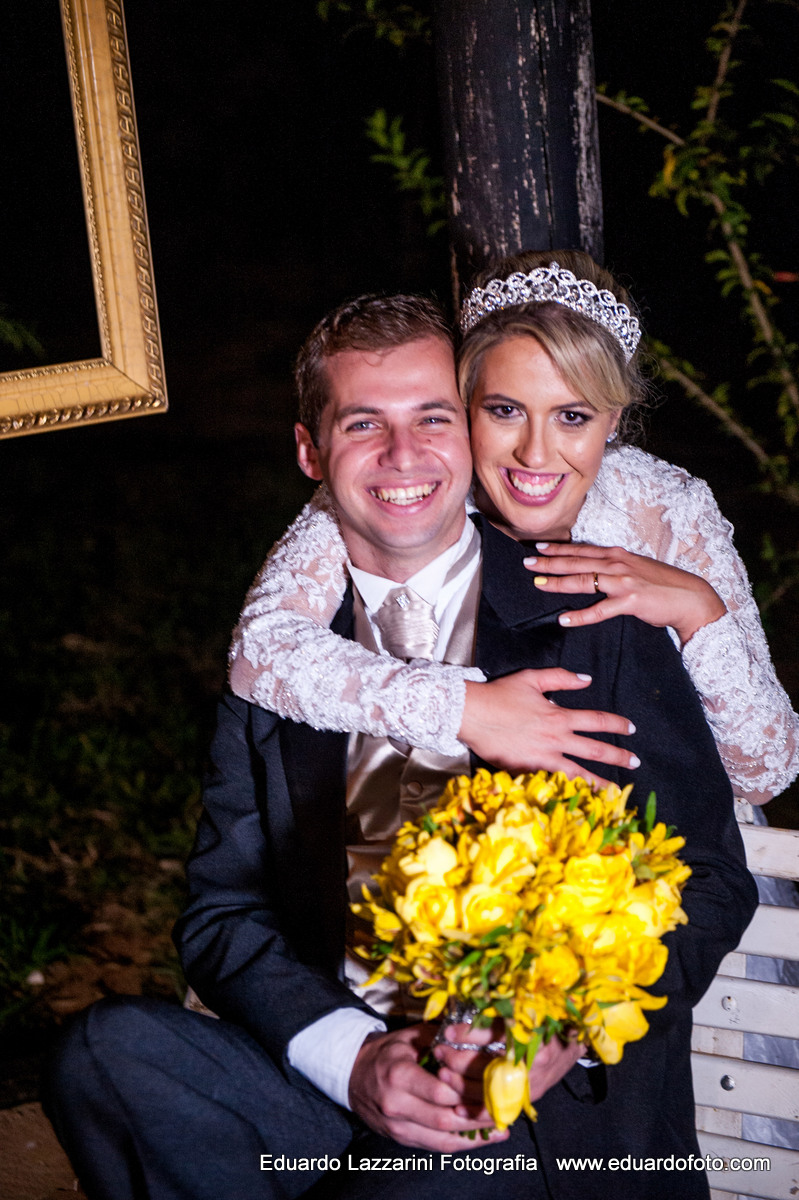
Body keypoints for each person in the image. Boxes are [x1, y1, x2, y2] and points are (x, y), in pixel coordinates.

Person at [44, 289, 757, 1200]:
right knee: (107, 1055)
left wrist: (560, 1025)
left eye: (431, 417)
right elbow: (223, 916)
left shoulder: (595, 621)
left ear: (465, 431)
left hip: (533, 1116)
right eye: (361, 425)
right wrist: (353, 1061)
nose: (403, 455)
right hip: (341, 1094)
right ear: (310, 450)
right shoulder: (282, 661)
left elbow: (708, 876)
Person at [228, 251, 799, 808]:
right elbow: (263, 647)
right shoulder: (413, 489)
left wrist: (699, 610)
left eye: (572, 417)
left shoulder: (666, 507)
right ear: (466, 402)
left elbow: (765, 773)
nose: (534, 453)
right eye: (505, 411)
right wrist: (466, 710)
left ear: (615, 419)